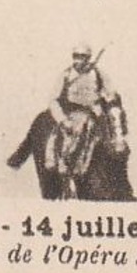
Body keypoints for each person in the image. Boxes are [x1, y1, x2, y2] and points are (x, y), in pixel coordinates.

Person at [47, 43, 117, 177]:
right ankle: (66, 165)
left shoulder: (97, 74)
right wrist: (62, 120)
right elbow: (53, 100)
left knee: (112, 130)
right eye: (76, 57)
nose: (78, 61)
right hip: (73, 114)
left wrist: (106, 98)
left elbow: (110, 92)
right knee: (76, 134)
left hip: (95, 113)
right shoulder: (66, 75)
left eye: (82, 57)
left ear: (88, 58)